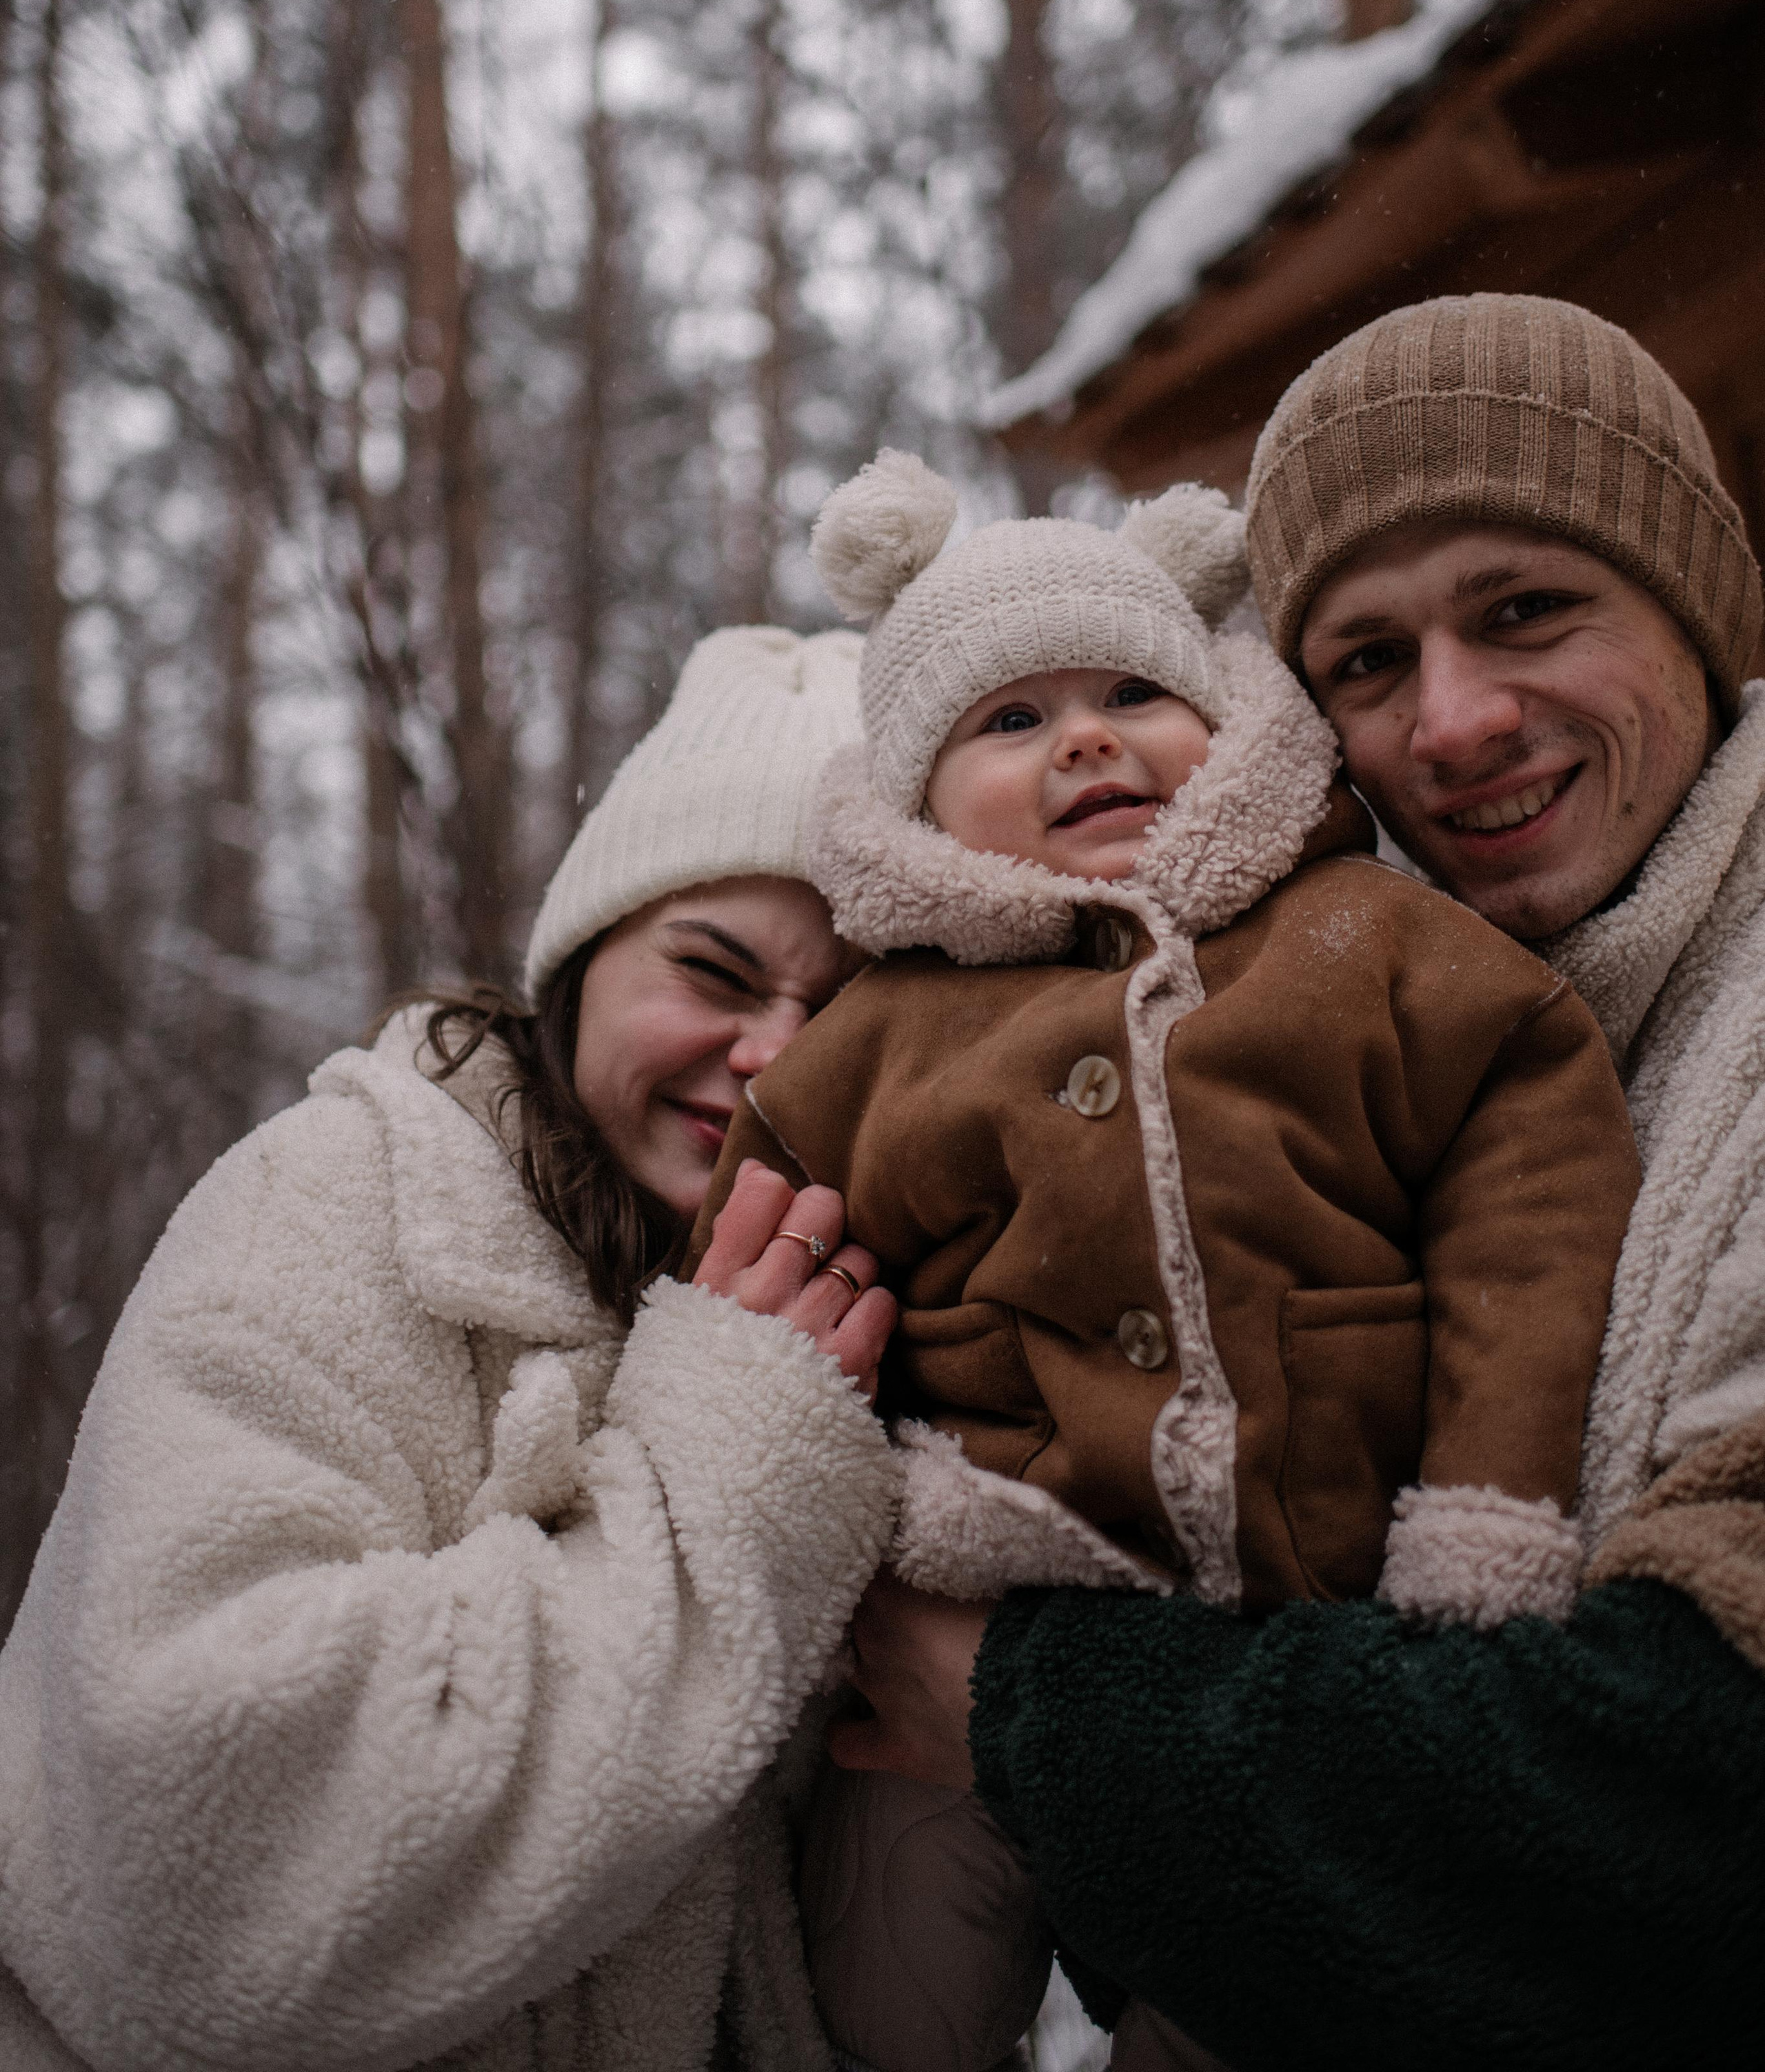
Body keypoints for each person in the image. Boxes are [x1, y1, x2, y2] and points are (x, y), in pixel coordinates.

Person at [828, 295, 1765, 2072]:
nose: (1457, 719)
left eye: (1524, 609)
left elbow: (1687, 1808)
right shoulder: (1377, 1012)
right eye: (1365, 662)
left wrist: (1016, 1707)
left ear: (1694, 609)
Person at [689, 445, 1638, 2072]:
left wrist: (1482, 1511)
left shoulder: (1361, 940)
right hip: (969, 1607)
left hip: (1302, 1630)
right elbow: (762, 1287)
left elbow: (1528, 1211)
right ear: (916, 796)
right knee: (866, 2014)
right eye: (1006, 721)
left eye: (1133, 688)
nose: (1083, 736)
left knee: (1261, 2004)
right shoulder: (874, 1039)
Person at [0, 625, 900, 2072]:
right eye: (713, 972)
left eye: (849, 1013)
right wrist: (726, 1469)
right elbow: (197, 1862)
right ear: (585, 959)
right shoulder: (337, 1205)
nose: (772, 1060)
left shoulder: (866, 1315)